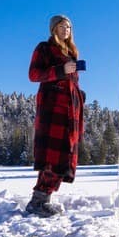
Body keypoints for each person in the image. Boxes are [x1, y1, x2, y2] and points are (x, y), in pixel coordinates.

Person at [26, 14, 86, 217]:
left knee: (64, 156)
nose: (66, 30)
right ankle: (38, 201)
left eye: (69, 26)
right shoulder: (44, 48)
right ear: (54, 29)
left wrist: (79, 95)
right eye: (62, 26)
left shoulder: (71, 53)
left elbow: (71, 83)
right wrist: (60, 70)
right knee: (52, 156)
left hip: (70, 112)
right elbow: (34, 75)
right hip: (53, 110)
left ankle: (45, 199)